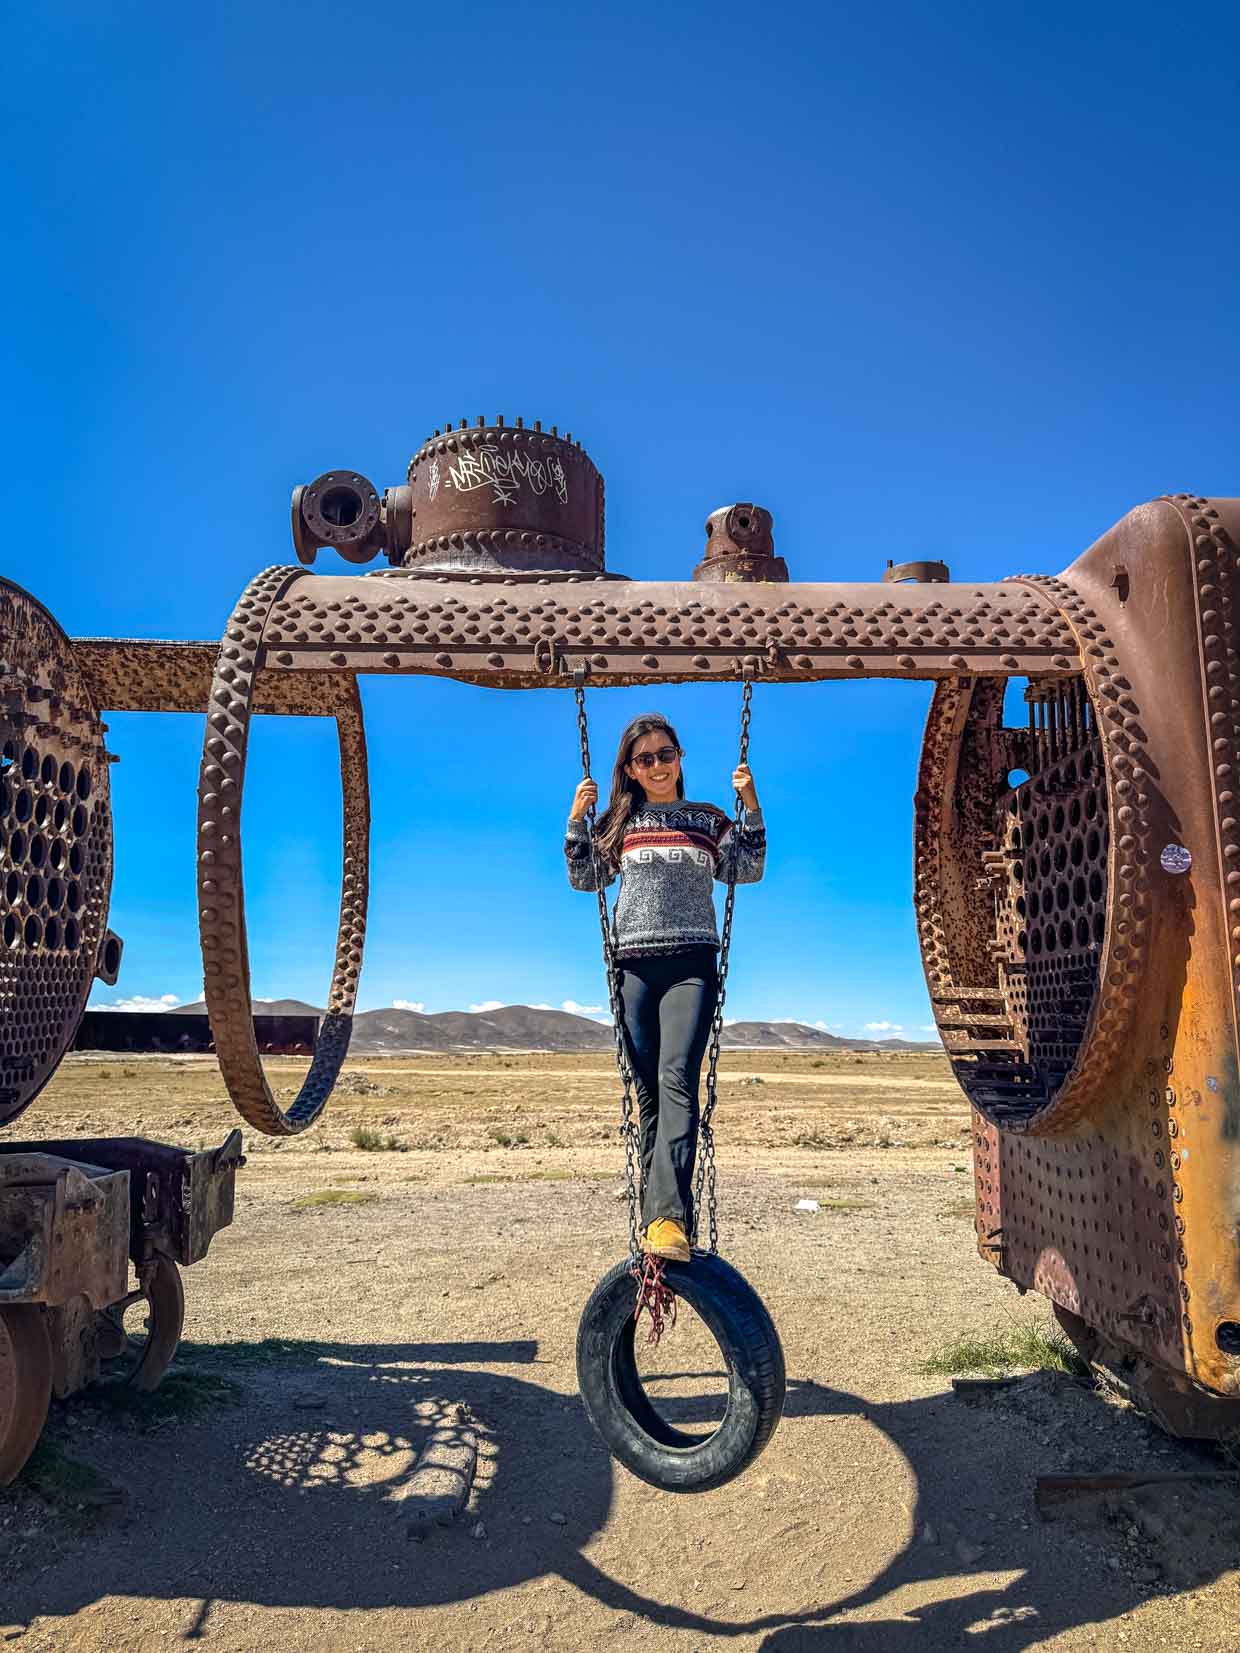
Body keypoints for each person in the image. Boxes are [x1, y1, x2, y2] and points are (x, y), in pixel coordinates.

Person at [565, 712, 765, 1262]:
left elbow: (746, 868)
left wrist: (750, 803)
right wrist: (577, 821)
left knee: (676, 1078)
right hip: (633, 967)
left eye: (665, 754)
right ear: (630, 768)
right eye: (644, 758)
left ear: (680, 758)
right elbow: (586, 879)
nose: (657, 765)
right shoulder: (619, 824)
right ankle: (662, 1223)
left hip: (690, 965)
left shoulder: (705, 818)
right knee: (650, 1093)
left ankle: (667, 1218)